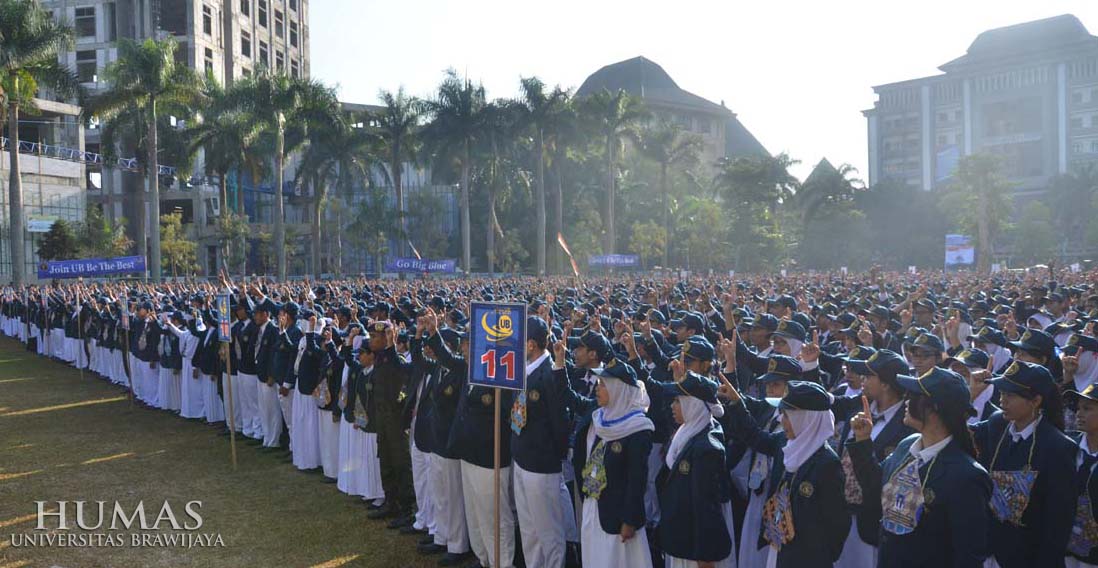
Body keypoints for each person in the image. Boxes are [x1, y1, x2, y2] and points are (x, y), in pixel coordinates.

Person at [847, 367, 992, 567]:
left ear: (934, 409)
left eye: (914, 395)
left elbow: (968, 556)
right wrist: (863, 441)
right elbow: (875, 487)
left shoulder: (967, 476)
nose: (906, 401)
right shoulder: (908, 445)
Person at [720, 378, 849, 568]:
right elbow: (755, 437)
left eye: (787, 415)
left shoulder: (827, 464)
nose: (781, 420)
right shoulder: (786, 443)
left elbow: (838, 523)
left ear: (807, 419)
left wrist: (819, 556)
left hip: (808, 557)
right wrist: (737, 403)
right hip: (780, 546)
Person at [973, 360, 1076, 568]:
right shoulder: (997, 423)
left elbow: (1057, 523)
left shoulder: (1058, 447)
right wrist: (971, 392)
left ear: (1036, 400)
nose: (1002, 401)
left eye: (1010, 395)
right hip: (990, 552)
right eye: (1001, 393)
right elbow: (961, 433)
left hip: (1027, 556)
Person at [567, 355, 655, 568]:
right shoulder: (599, 417)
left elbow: (637, 479)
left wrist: (630, 520)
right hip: (593, 505)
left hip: (617, 516)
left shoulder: (637, 429)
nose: (598, 389)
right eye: (598, 383)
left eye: (604, 385)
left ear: (619, 390)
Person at [511, 316, 575, 568]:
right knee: (529, 529)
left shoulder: (550, 373)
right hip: (522, 457)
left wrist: (553, 455)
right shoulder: (524, 370)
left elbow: (561, 422)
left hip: (541, 462)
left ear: (530, 345)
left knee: (549, 531)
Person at [657, 370, 735, 568]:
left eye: (678, 401)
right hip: (682, 537)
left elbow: (706, 506)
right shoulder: (688, 432)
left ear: (693, 405)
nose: (672, 406)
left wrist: (706, 555)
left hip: (696, 548)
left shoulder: (707, 448)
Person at [1064, 384, 1098, 568]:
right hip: (1064, 547)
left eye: (1087, 408)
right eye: (1078, 408)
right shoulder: (1067, 446)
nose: (1079, 413)